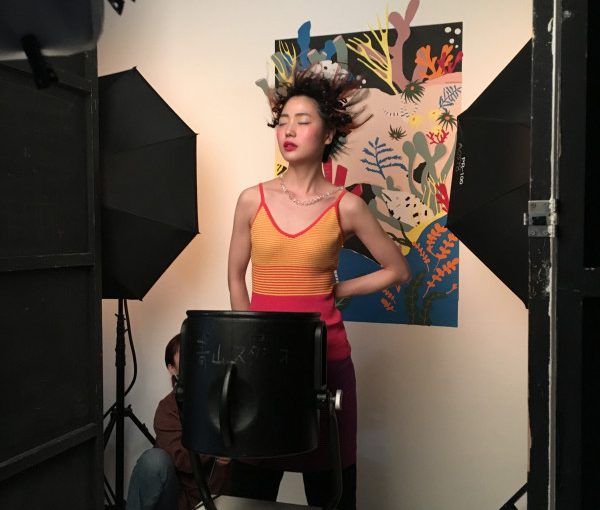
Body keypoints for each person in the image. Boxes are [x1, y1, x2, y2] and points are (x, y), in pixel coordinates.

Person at [226, 63, 411, 509]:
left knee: (330, 495)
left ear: (328, 134)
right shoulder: (252, 199)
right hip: (263, 366)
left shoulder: (346, 206)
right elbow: (235, 276)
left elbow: (397, 270)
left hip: (325, 363)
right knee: (247, 493)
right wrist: (247, 342)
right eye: (283, 121)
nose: (288, 130)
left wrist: (338, 291)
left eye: (302, 121)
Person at [126, 334, 231, 510]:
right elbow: (185, 459)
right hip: (175, 499)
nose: (194, 362)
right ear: (172, 368)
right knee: (153, 461)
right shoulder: (167, 408)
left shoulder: (223, 401)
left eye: (198, 355)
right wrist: (217, 445)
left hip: (217, 494)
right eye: (186, 355)